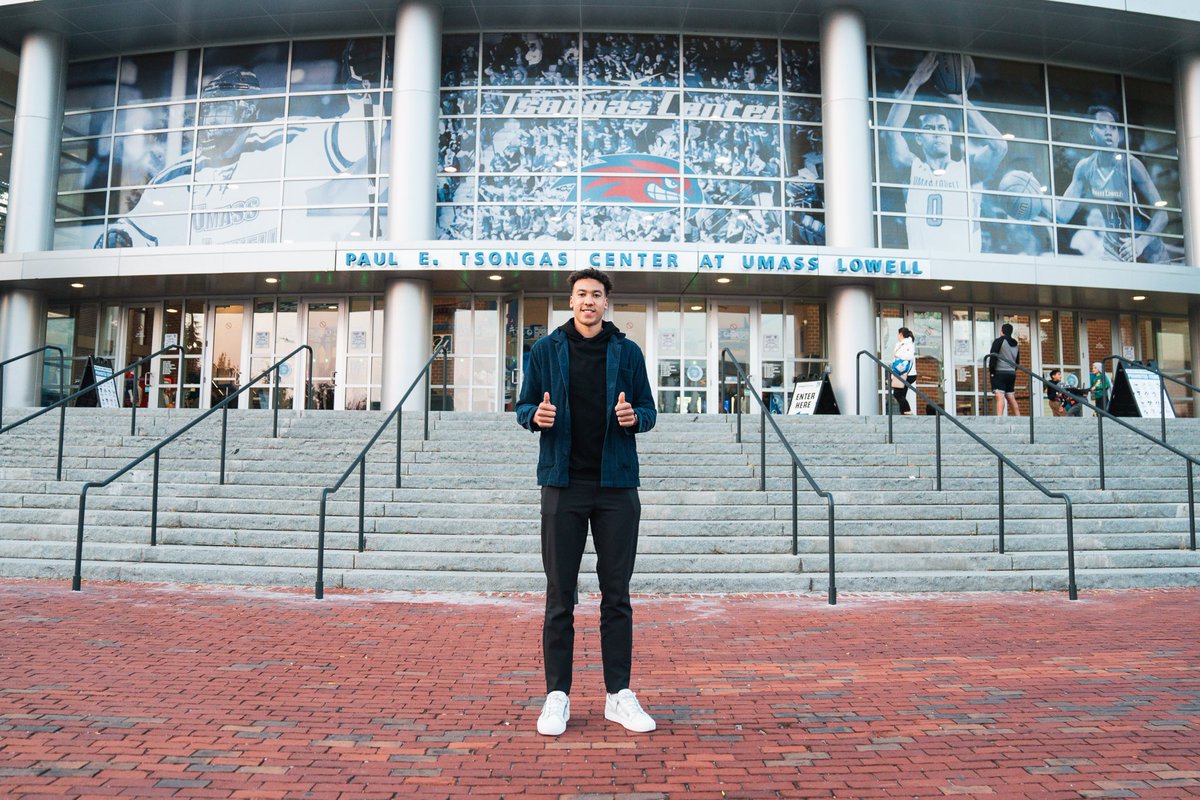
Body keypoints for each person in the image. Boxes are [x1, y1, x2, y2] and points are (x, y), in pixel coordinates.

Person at [515, 267, 658, 738]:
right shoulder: (545, 349)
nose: (588, 302)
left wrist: (633, 416)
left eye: (596, 295)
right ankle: (557, 696)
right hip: (563, 485)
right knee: (560, 596)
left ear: (606, 303)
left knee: (616, 596)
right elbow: (522, 406)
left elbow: (650, 411)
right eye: (581, 294)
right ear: (570, 301)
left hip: (616, 487)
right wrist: (534, 415)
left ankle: (619, 695)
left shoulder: (628, 352)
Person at [98, 41, 382, 248]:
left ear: (248, 111)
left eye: (220, 108)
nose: (209, 119)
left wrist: (359, 87)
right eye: (205, 109)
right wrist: (117, 237)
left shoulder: (282, 141)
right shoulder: (180, 172)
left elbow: (357, 136)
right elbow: (134, 229)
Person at [882, 52, 1007, 252]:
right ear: (919, 139)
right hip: (922, 266)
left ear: (950, 136)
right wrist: (913, 84)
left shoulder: (968, 169)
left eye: (942, 128)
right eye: (929, 129)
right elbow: (891, 133)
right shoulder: (912, 168)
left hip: (964, 266)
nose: (937, 134)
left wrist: (963, 103)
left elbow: (999, 146)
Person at [1055, 105, 1169, 262]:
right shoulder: (1085, 167)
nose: (1108, 131)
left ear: (1118, 134)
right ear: (1091, 132)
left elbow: (1162, 214)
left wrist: (1141, 242)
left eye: (1113, 127)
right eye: (1102, 126)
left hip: (1148, 252)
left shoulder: (1130, 164)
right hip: (1114, 250)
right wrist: (1036, 196)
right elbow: (1062, 214)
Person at [988, 322, 1020, 416]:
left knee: (999, 395)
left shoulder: (999, 341)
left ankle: (1000, 419)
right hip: (1011, 373)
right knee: (1010, 396)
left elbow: (993, 356)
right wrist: (1012, 370)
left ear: (1002, 331)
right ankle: (1019, 418)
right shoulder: (1016, 344)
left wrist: (992, 371)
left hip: (999, 372)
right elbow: (1017, 361)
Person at [890, 327, 916, 415]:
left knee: (897, 394)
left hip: (907, 374)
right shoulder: (901, 344)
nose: (897, 336)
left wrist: (897, 354)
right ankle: (904, 414)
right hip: (902, 373)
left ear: (900, 334)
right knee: (902, 394)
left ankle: (907, 410)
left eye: (898, 334)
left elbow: (909, 356)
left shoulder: (908, 344)